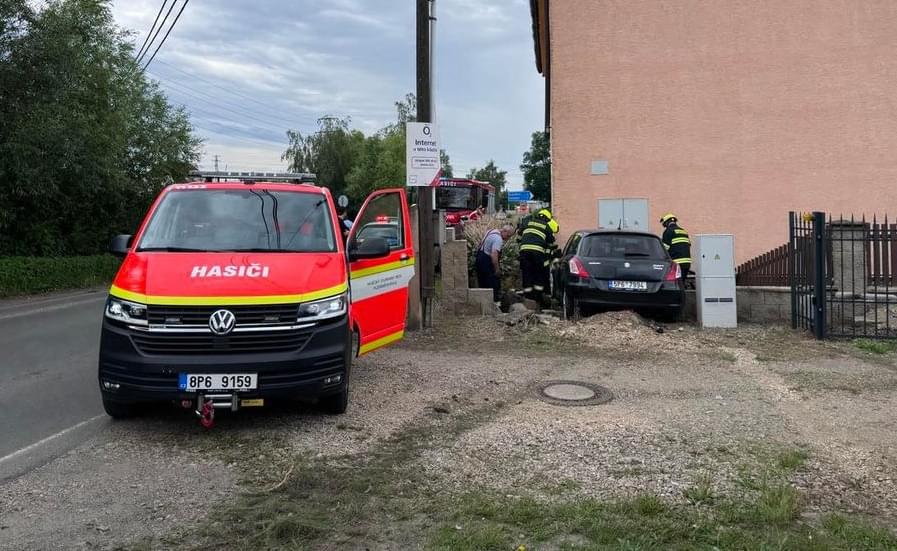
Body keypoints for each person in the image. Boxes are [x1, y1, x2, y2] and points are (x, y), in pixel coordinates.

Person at [518, 208, 558, 304]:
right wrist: (548, 255)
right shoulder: (546, 226)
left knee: (526, 273)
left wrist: (521, 245)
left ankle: (528, 296)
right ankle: (538, 297)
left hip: (524, 251)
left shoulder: (527, 222)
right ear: (546, 219)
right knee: (538, 273)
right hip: (537, 252)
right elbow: (551, 243)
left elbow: (519, 236)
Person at [476, 224, 515, 307]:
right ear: (505, 231)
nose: (507, 239)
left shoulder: (491, 231)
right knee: (493, 285)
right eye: (508, 236)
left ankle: (483, 305)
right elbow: (494, 255)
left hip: (479, 258)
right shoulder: (498, 239)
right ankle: (495, 306)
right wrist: (497, 269)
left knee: (482, 284)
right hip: (486, 262)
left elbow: (480, 244)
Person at [660, 213, 691, 282]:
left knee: (675, 284)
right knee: (681, 283)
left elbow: (664, 249)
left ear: (666, 222)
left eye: (664, 224)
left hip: (677, 263)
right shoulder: (684, 231)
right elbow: (688, 245)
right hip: (687, 263)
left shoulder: (668, 231)